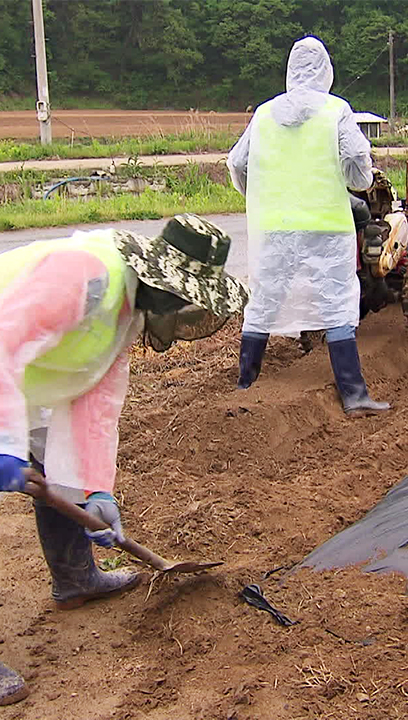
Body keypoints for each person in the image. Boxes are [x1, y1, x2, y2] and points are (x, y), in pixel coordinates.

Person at [0, 214, 250, 706]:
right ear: (163, 282)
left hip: (23, 381)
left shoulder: (126, 312)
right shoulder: (85, 275)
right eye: (187, 300)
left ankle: (75, 579)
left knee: (55, 467)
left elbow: (96, 403)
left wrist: (96, 489)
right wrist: (6, 445)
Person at [227, 36, 389, 416]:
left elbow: (237, 163)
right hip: (325, 225)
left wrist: (261, 194)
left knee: (264, 301)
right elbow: (355, 158)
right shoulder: (336, 110)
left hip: (273, 227)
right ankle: (354, 395)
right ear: (326, 70)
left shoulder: (265, 113)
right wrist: (359, 180)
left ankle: (245, 383)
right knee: (335, 303)